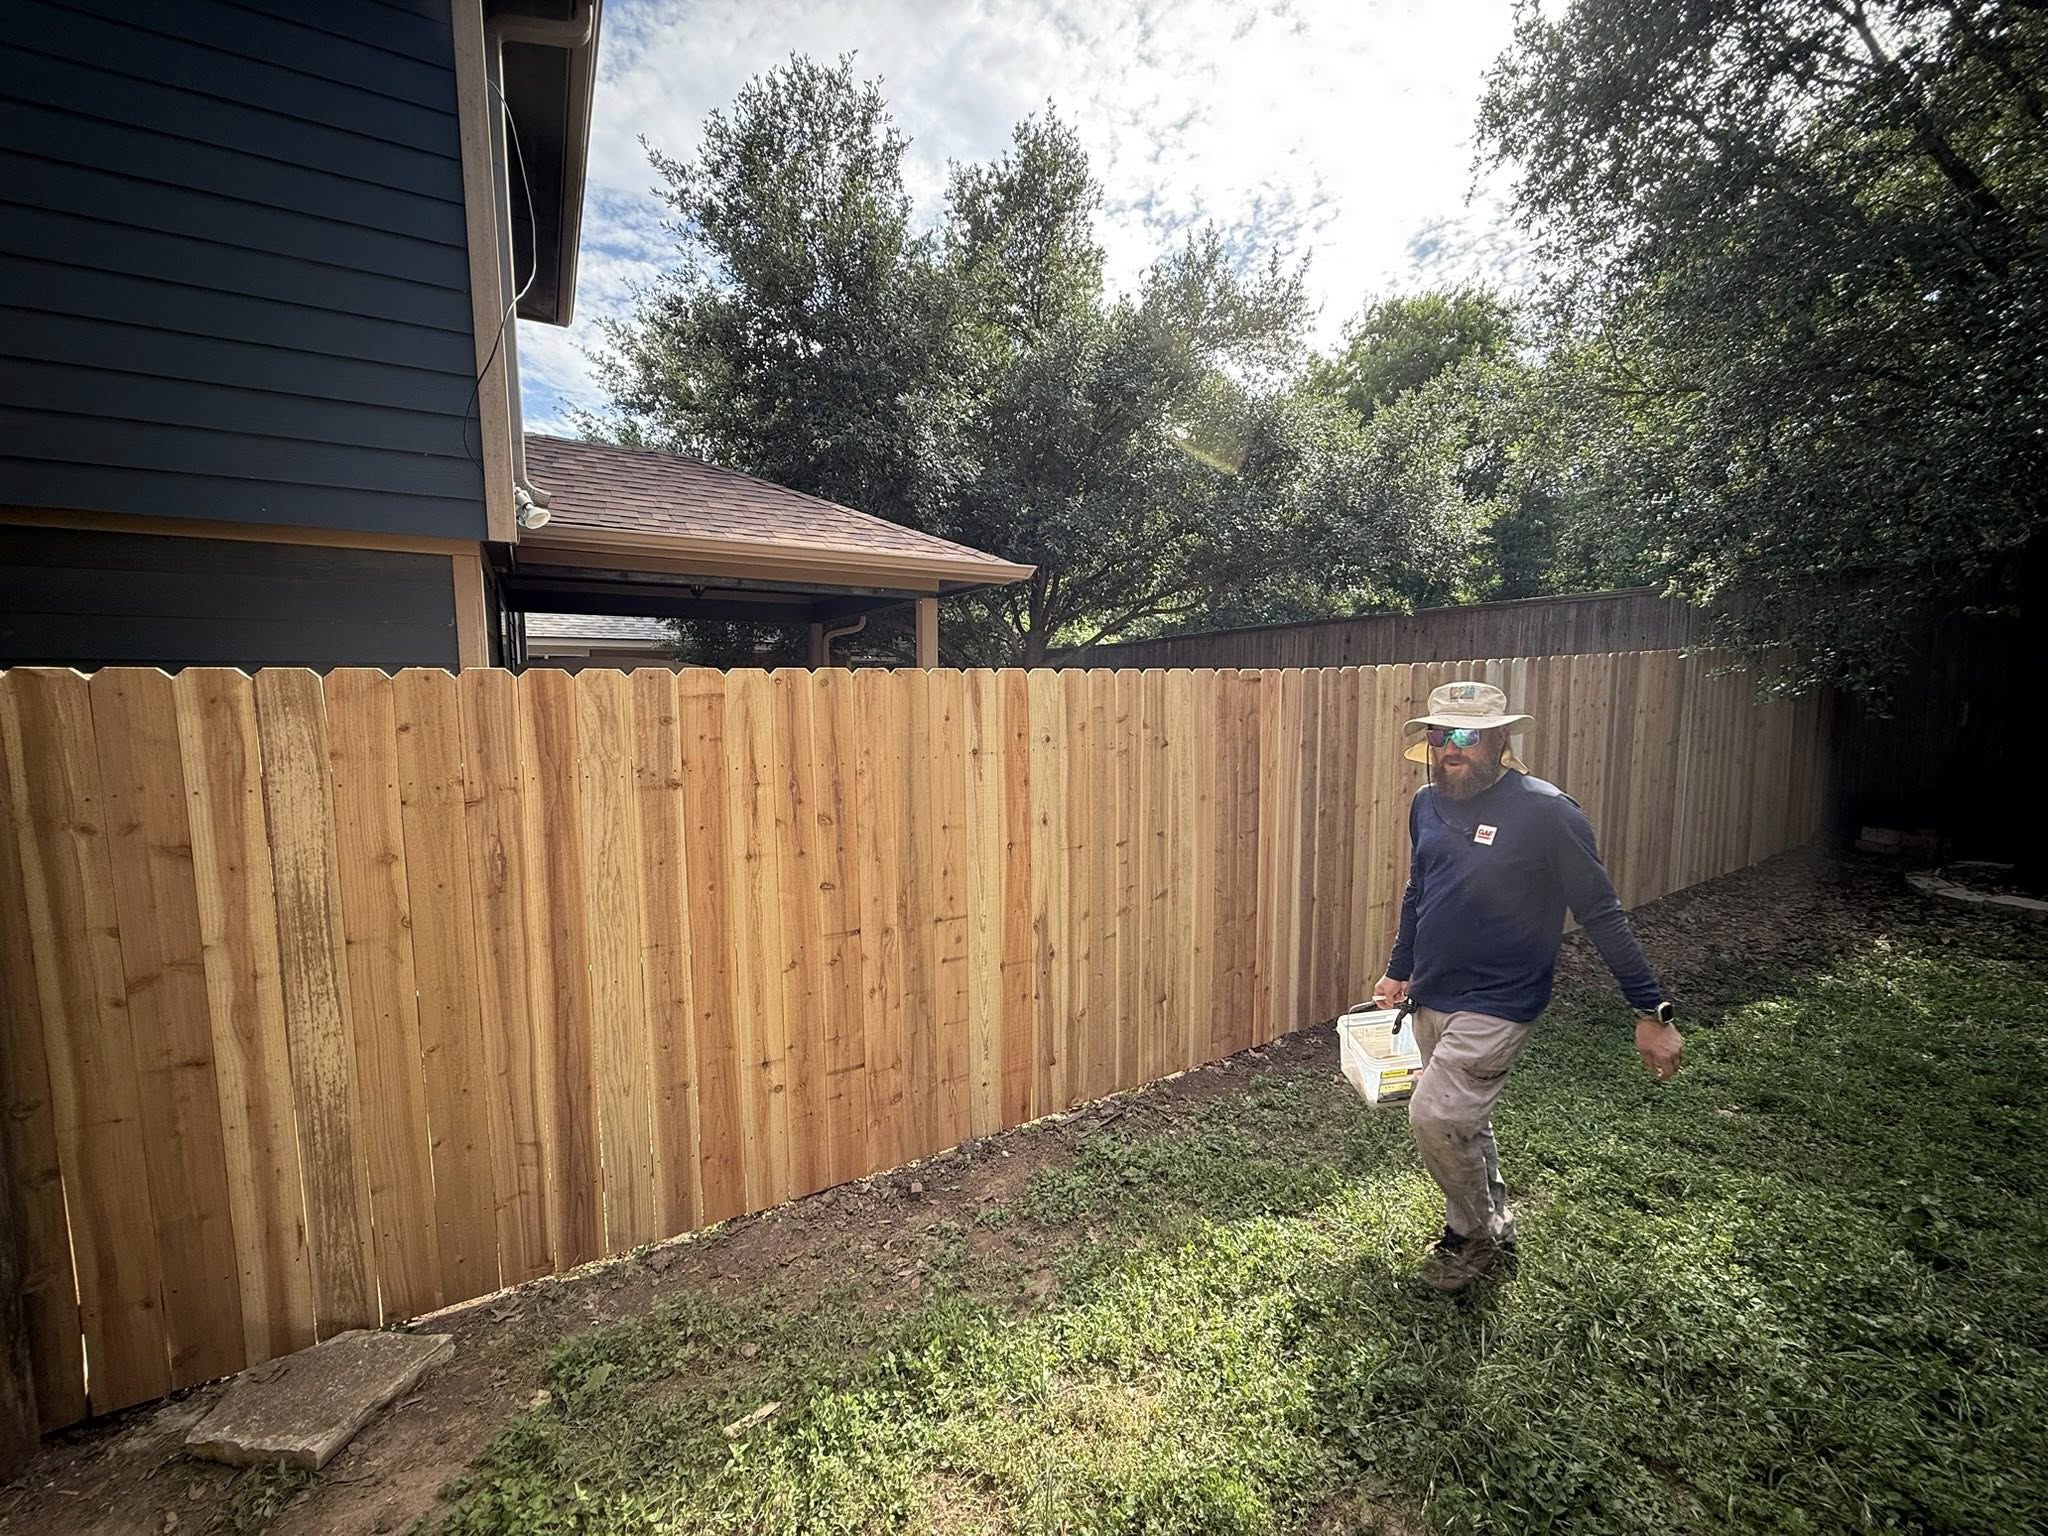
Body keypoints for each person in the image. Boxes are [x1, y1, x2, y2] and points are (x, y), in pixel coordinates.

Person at [1371, 680, 1682, 1293]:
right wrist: (1399, 967)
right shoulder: (1426, 804)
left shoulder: (1547, 811)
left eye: (1463, 734)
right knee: (1465, 1120)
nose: (1448, 747)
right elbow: (1419, 889)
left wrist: (1651, 1009)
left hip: (1502, 999)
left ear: (1498, 739)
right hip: (1434, 992)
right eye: (1438, 733)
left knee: (1436, 1114)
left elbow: (1601, 912)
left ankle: (1476, 1239)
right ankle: (1490, 1220)